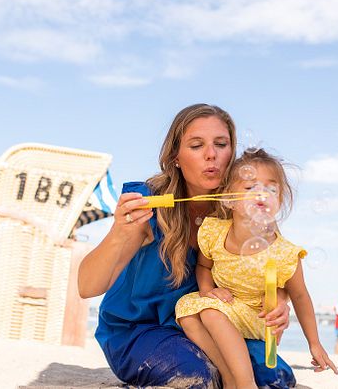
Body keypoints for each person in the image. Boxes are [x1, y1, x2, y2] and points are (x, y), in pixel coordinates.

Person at [78, 104, 297, 388]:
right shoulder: (149, 205)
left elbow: (272, 268)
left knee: (277, 378)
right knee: (198, 378)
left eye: (222, 144)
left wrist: (279, 302)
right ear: (176, 158)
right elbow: (87, 287)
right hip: (140, 330)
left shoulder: (244, 209)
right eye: (196, 145)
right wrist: (120, 232)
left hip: (206, 325)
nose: (211, 154)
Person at [175, 149, 338, 388]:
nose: (261, 193)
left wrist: (314, 343)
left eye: (271, 189)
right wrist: (208, 290)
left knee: (210, 312)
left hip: (259, 317)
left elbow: (301, 295)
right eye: (250, 188)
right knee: (186, 312)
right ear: (229, 199)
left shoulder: (283, 253)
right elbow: (203, 265)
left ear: (279, 201)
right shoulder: (214, 232)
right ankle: (228, 375)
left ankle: (245, 382)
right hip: (227, 307)